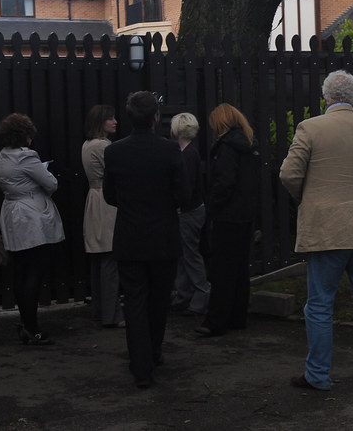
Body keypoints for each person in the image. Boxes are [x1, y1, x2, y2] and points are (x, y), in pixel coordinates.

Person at [279, 70, 353, 394]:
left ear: (325, 97)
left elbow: (289, 174)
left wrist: (307, 196)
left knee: (319, 304)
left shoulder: (311, 128)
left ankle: (317, 375)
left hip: (327, 228)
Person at [103, 91, 188, 388]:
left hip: (130, 237)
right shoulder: (169, 151)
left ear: (129, 117)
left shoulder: (114, 152)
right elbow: (182, 194)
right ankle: (153, 351)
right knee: (158, 299)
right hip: (163, 237)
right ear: (155, 117)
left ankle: (141, 366)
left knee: (135, 301)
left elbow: (109, 196)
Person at [0, 113, 65, 345]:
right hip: (31, 216)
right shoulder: (27, 157)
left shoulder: (3, 155)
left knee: (21, 271)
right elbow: (51, 184)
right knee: (34, 272)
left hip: (12, 214)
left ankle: (25, 324)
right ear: (25, 135)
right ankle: (32, 328)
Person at [195, 103, 260, 338]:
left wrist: (212, 210)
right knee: (240, 269)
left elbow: (224, 182)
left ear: (219, 123)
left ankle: (215, 320)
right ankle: (237, 316)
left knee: (222, 269)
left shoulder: (225, 148)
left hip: (227, 216)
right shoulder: (248, 146)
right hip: (245, 216)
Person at [81, 105, 126, 328]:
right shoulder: (104, 146)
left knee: (98, 259)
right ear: (101, 122)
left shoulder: (87, 144)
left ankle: (100, 311)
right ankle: (112, 314)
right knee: (109, 258)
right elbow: (118, 172)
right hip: (107, 201)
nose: (115, 121)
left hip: (94, 199)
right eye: (110, 119)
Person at [169, 112, 210, 315]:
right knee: (186, 253)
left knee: (190, 254)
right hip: (193, 209)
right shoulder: (190, 152)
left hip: (188, 211)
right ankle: (185, 294)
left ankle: (201, 294)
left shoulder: (186, 155)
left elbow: (185, 186)